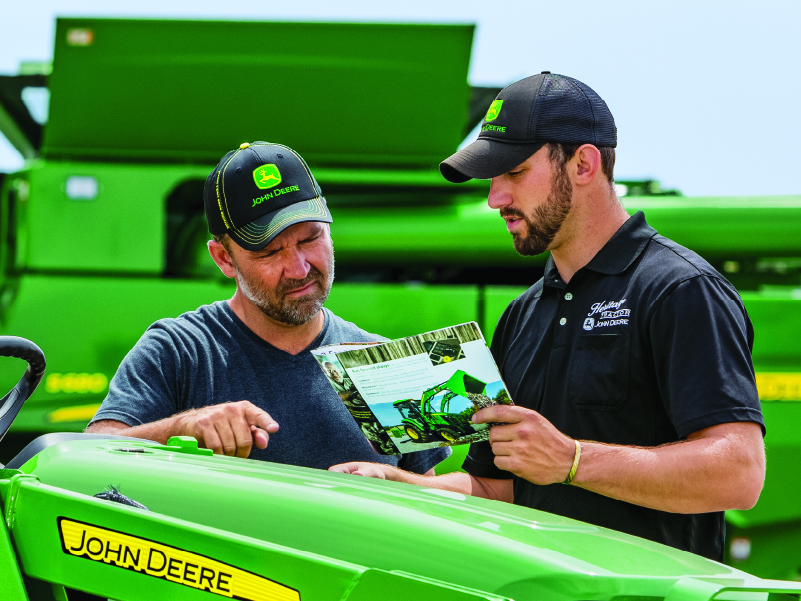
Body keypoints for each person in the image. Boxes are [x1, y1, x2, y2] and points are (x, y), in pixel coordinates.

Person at [330, 73, 765, 560]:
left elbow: (739, 473)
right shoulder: (522, 314)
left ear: (584, 163)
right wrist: (400, 481)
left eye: (513, 172)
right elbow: (497, 489)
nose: (495, 199)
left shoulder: (679, 290)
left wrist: (572, 460)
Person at [87, 141, 448, 475]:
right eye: (270, 252)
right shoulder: (180, 350)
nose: (300, 268)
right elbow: (91, 457)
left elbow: (431, 507)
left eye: (311, 238)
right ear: (224, 259)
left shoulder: (386, 363)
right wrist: (181, 428)